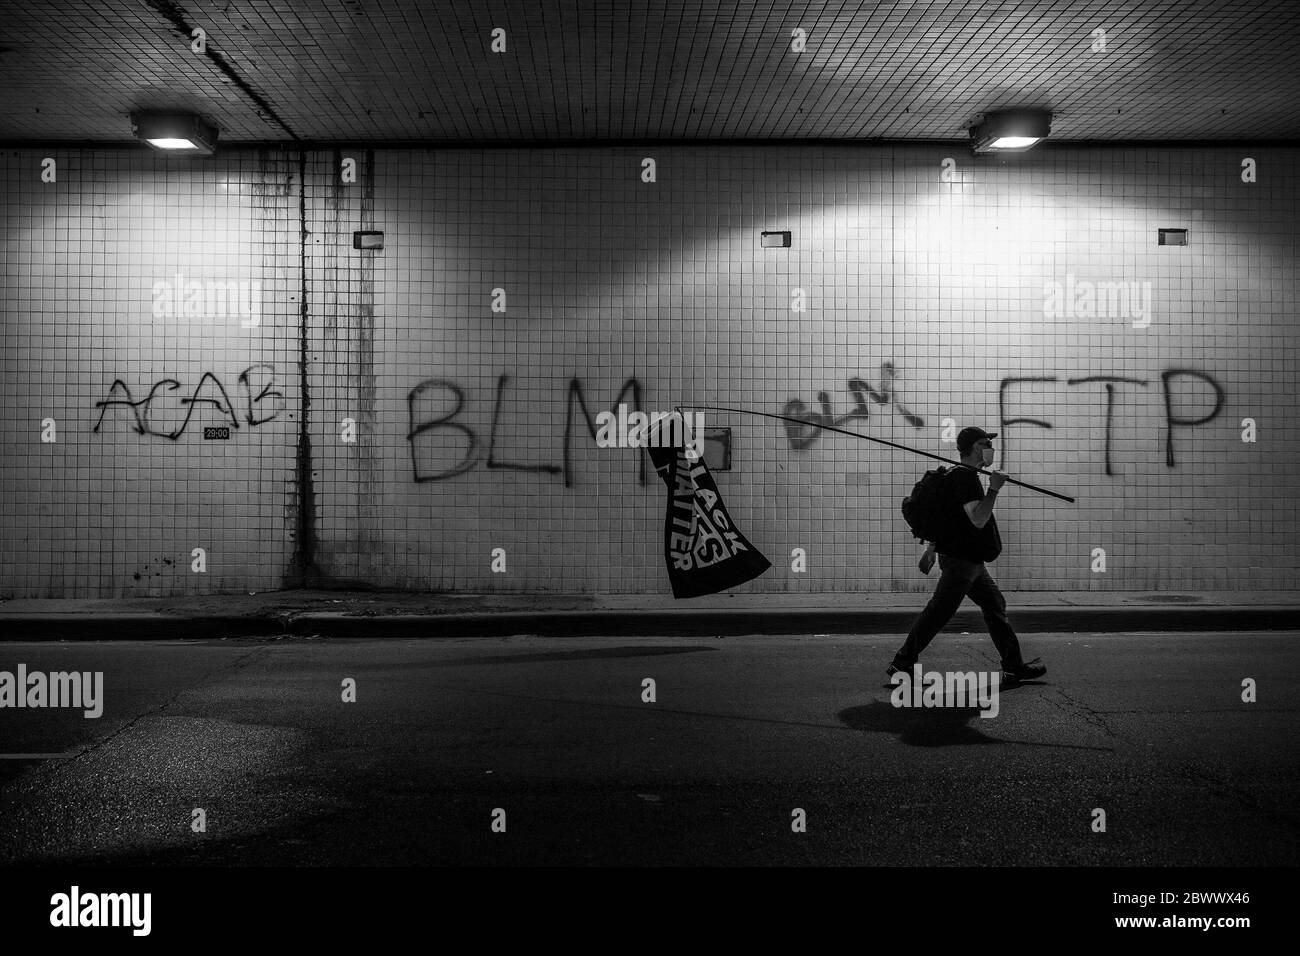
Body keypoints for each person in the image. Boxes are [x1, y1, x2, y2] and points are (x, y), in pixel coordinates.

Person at [887, 426, 1046, 684]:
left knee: (994, 605)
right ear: (974, 447)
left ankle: (1013, 665)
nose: (990, 448)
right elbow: (977, 520)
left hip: (968, 561)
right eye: (985, 443)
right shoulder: (965, 478)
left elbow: (951, 520)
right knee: (939, 613)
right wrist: (994, 489)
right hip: (961, 562)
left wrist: (931, 548)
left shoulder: (959, 476)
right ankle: (902, 663)